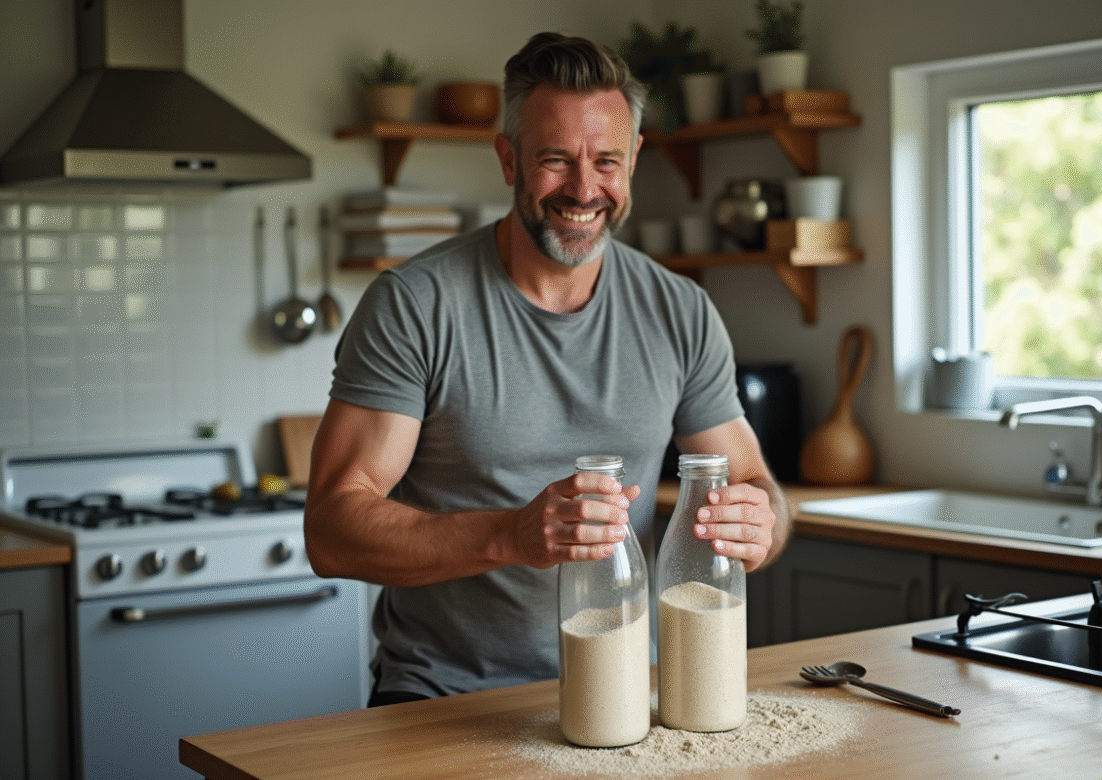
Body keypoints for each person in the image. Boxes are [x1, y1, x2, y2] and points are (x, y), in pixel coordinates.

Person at [304, 31, 791, 707]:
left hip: (628, 696)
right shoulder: (414, 306)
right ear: (508, 159)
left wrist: (760, 523)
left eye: (607, 162)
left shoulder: (681, 310)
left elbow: (754, 482)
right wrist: (509, 534)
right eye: (556, 161)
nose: (584, 190)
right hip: (444, 702)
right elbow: (331, 531)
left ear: (636, 160)